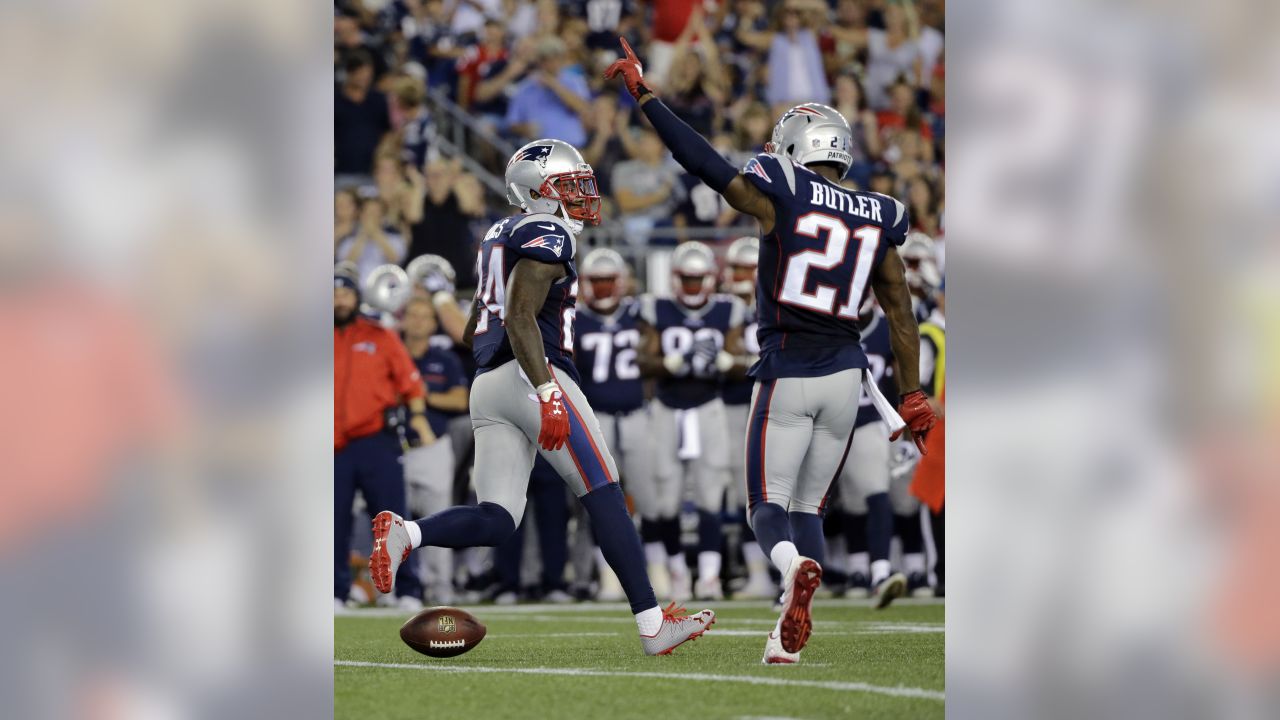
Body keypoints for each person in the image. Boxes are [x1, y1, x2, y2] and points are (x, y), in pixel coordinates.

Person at [605, 39, 936, 664]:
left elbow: (705, 164)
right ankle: (786, 639)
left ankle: (793, 566)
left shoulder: (780, 186)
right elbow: (900, 309)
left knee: (766, 507)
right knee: (809, 503)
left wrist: (647, 99)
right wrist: (912, 393)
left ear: (793, 150)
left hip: (787, 365)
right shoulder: (879, 212)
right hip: (848, 377)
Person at [369, 138, 715, 656]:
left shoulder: (497, 234)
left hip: (488, 385)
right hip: (534, 374)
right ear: (540, 189)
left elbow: (475, 329)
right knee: (603, 490)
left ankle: (408, 535)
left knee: (497, 518)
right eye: (569, 185)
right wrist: (548, 390)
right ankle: (651, 623)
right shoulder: (548, 231)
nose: (580, 194)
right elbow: (518, 315)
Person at [637, 241, 746, 601]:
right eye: (687, 279)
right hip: (668, 408)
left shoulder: (728, 310)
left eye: (698, 280)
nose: (693, 287)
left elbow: (744, 362)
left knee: (710, 496)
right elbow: (642, 362)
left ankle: (710, 577)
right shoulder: (658, 308)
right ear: (675, 278)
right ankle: (678, 572)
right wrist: (670, 362)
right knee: (667, 500)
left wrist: (728, 363)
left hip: (708, 407)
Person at [334, 264, 435, 611]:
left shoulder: (379, 334)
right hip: (333, 444)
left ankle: (408, 589)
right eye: (333, 295)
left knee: (393, 519)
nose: (339, 300)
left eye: (345, 293)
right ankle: (335, 592)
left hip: (377, 439)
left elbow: (410, 382)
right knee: (332, 522)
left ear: (357, 297)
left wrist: (418, 417)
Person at [572, 248, 654, 599]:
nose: (603, 288)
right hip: (597, 419)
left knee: (647, 498)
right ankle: (605, 574)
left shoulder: (641, 314)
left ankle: (655, 571)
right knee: (600, 501)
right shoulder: (575, 319)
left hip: (637, 415)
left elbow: (655, 355)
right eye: (597, 280)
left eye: (608, 280)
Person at [834, 295, 910, 607]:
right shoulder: (829, 327)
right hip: (833, 423)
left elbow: (903, 375)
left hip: (870, 422)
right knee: (850, 503)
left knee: (876, 494)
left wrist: (902, 423)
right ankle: (857, 570)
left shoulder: (885, 329)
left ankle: (879, 571)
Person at [399, 297, 469, 604]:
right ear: (403, 320)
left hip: (433, 447)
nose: (417, 322)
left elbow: (460, 400)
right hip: (394, 447)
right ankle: (396, 589)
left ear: (433, 324)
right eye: (412, 315)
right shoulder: (392, 352)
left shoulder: (445, 358)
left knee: (438, 520)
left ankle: (441, 588)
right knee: (392, 522)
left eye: (423, 317)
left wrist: (421, 395)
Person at [719, 237, 776, 599]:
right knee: (729, 493)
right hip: (724, 405)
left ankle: (769, 569)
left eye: (746, 269)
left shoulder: (773, 305)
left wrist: (738, 362)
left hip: (765, 405)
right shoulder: (720, 307)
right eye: (735, 269)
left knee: (758, 491)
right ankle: (749, 569)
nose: (738, 277)